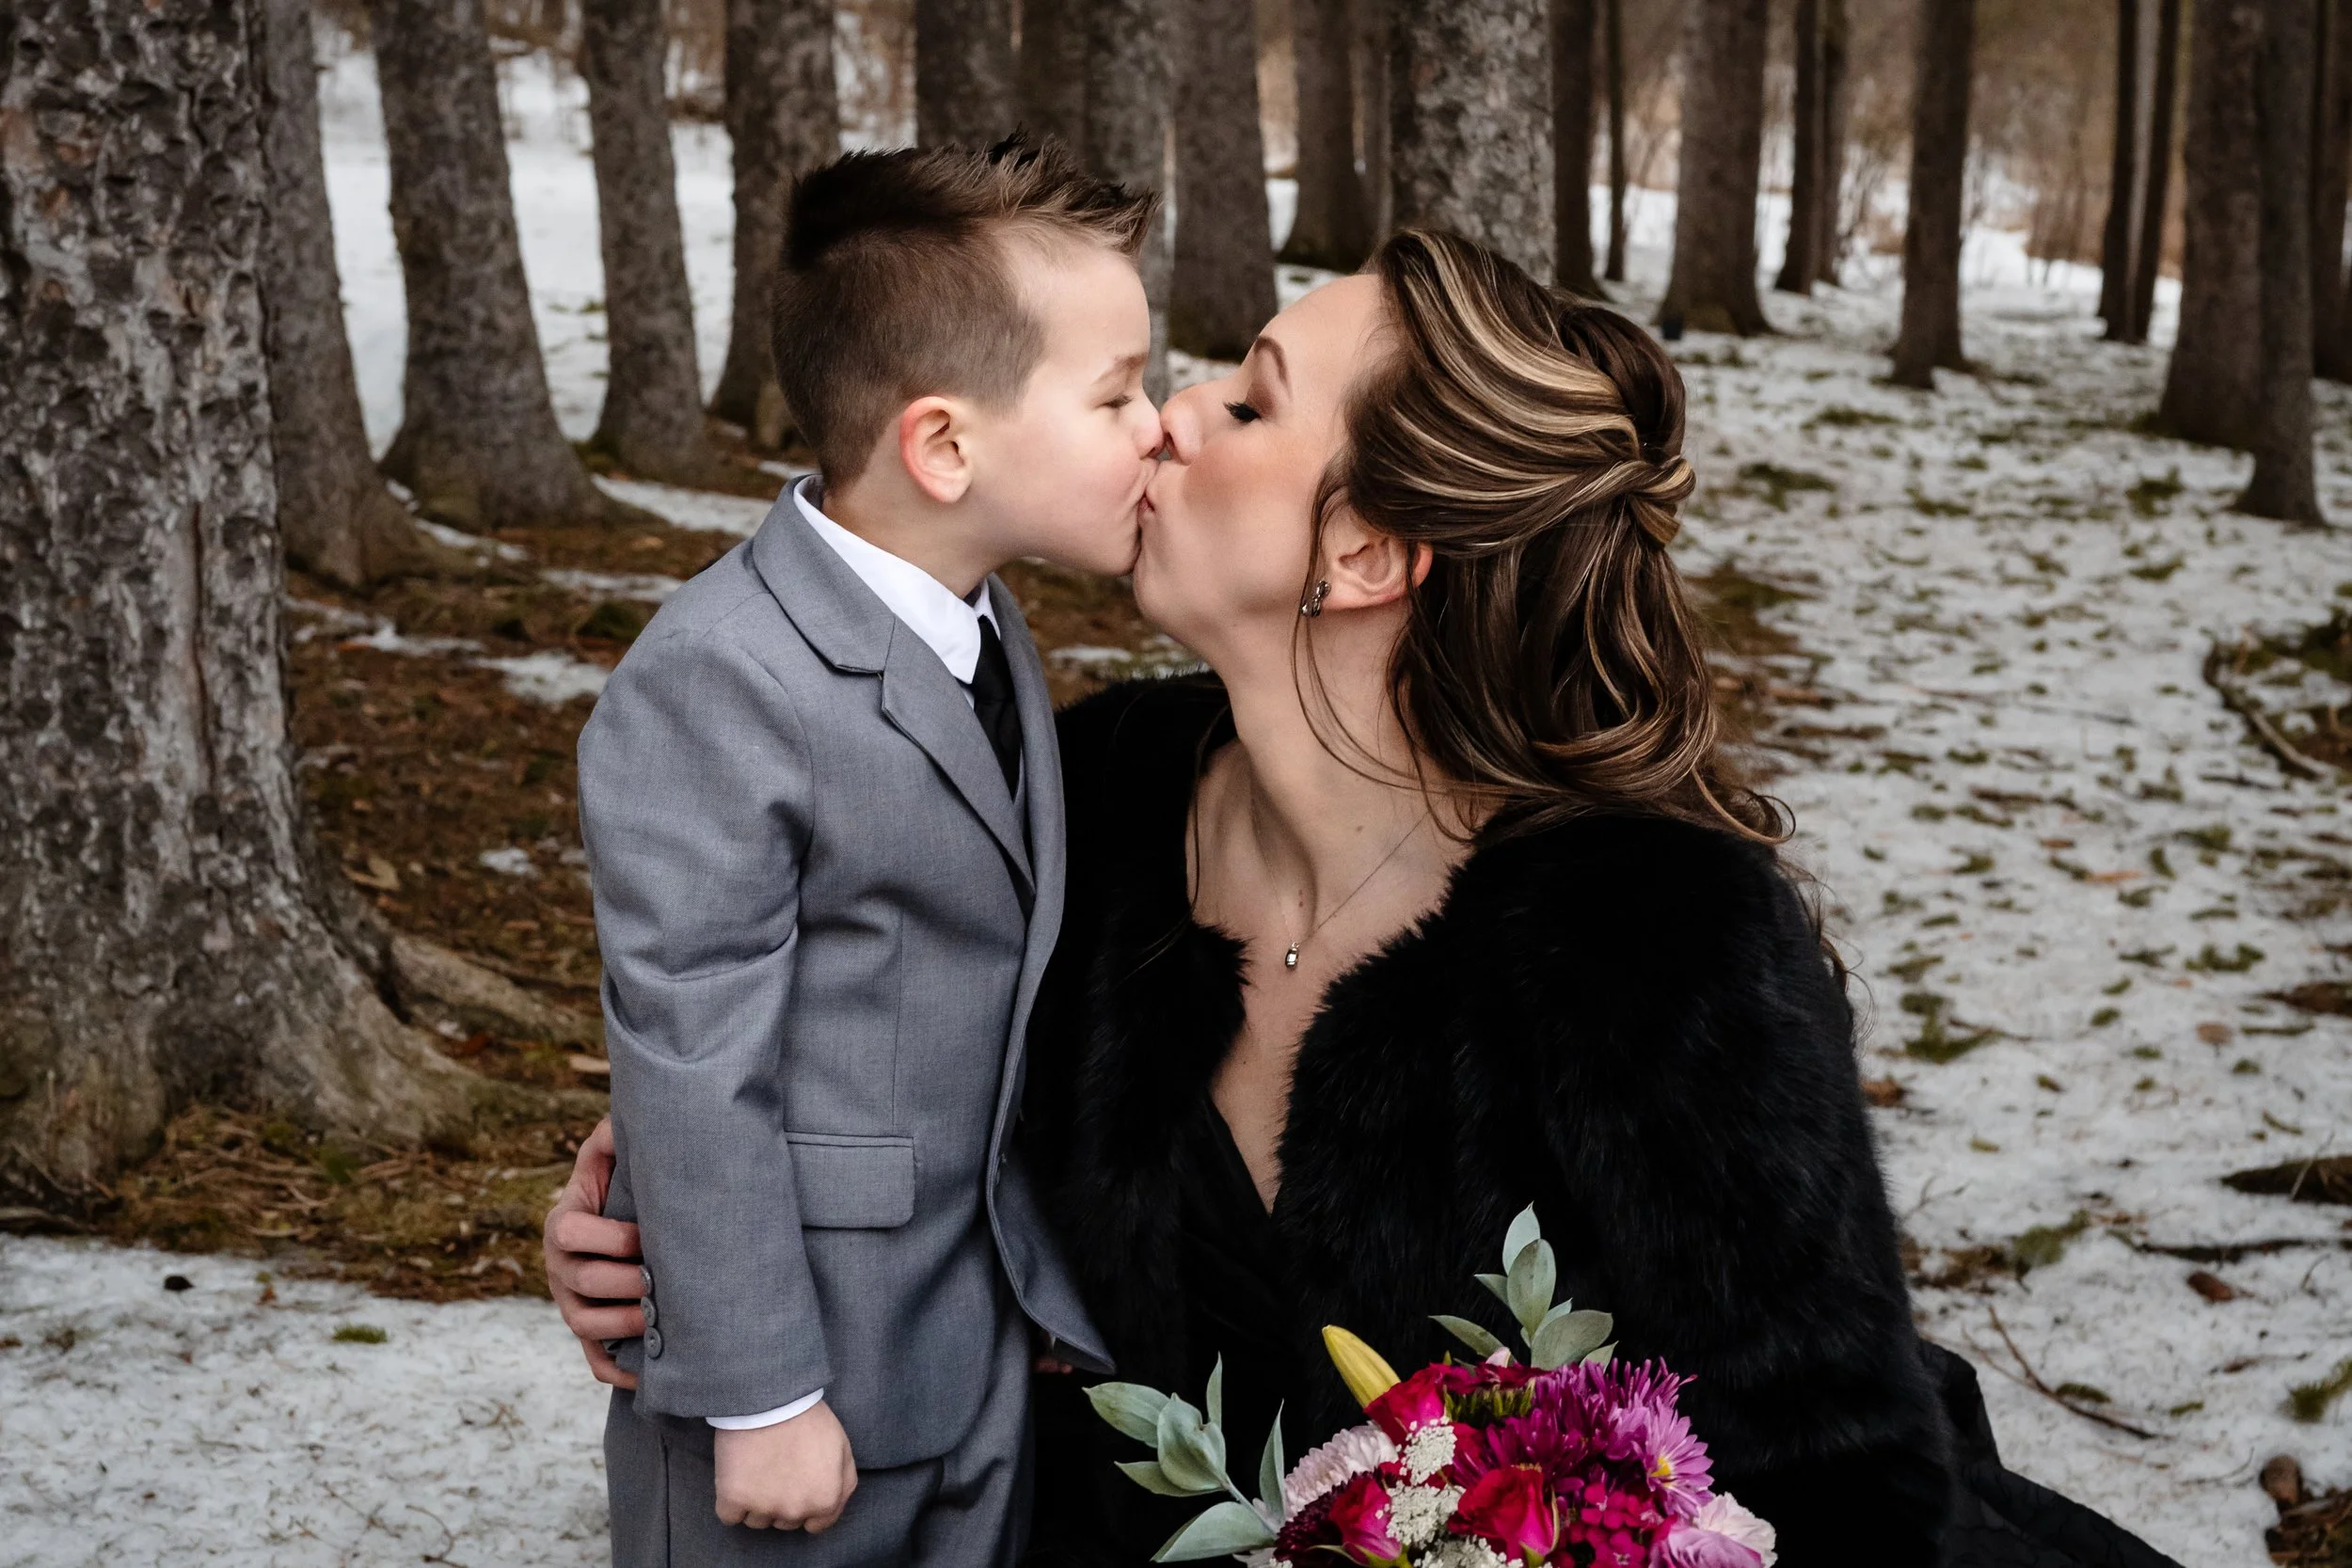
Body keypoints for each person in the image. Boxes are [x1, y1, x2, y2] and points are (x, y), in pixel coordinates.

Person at [550, 229, 2185, 1568]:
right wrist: (661, 1248)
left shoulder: (1649, 935)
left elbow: (1837, 1489)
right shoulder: (1086, 795)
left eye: (1252, 404)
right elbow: (855, 1082)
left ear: (1371, 553)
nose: (1172, 417)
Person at [567, 135, 1158, 1566]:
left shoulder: (988, 621)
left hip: (974, 1354)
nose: (1158, 423)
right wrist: (760, 1388)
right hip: (799, 1390)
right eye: (1119, 392)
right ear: (945, 443)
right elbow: (695, 1051)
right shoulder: (725, 677)